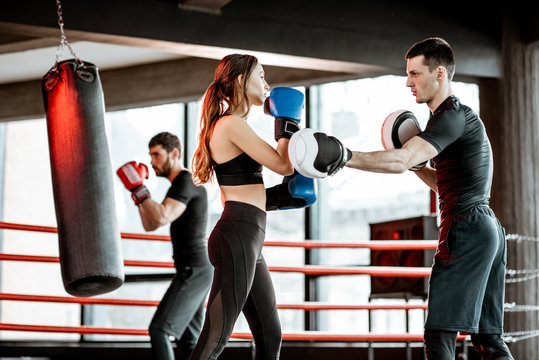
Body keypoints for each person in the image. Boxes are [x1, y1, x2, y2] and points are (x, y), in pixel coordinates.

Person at [289, 37, 514, 360]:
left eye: (415, 73)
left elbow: (398, 162)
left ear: (439, 73)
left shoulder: (449, 116)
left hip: (465, 226)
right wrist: (417, 165)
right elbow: (445, 185)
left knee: (439, 336)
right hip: (485, 226)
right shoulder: (459, 116)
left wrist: (343, 155)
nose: (408, 82)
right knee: (488, 341)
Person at [188, 54, 313, 360]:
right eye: (261, 75)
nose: (267, 83)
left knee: (270, 337)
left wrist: (285, 197)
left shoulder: (232, 125)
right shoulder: (230, 124)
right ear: (242, 80)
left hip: (245, 234)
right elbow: (283, 164)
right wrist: (286, 120)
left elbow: (243, 191)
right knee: (214, 338)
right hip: (239, 234)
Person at [116, 132, 213, 360]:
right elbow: (150, 224)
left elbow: (161, 216)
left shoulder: (186, 181)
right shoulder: (177, 186)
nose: (151, 162)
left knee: (159, 329)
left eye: (157, 154)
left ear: (174, 153)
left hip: (195, 269)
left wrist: (140, 189)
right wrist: (136, 192)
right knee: (189, 341)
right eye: (150, 155)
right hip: (194, 269)